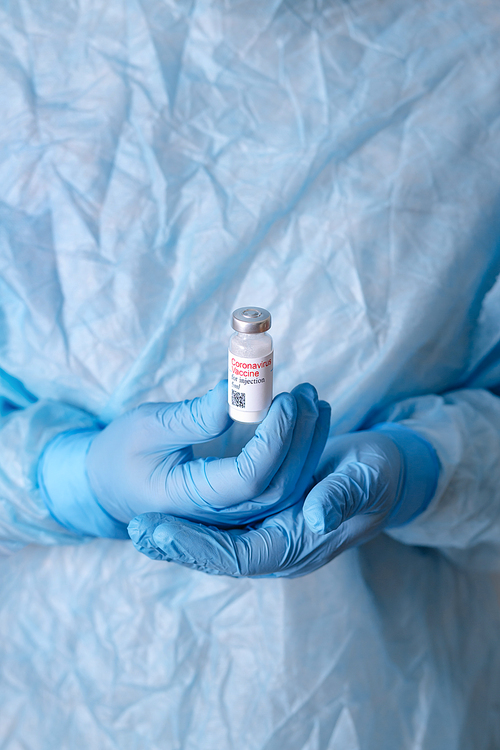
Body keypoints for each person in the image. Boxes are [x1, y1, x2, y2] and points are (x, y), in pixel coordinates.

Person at [1, 0, 500, 747]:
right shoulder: (23, 36)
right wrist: (67, 480)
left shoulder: (475, 42)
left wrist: (424, 469)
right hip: (64, 696)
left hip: (389, 705)